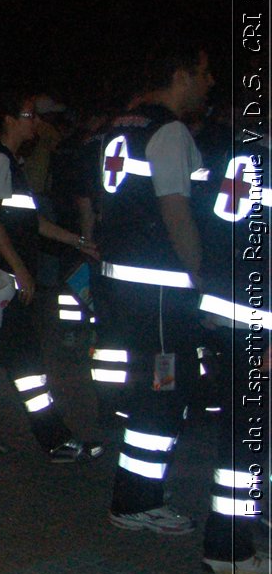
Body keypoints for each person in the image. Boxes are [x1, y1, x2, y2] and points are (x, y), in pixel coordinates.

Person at [94, 45, 214, 534]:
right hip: (162, 290)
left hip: (125, 286)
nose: (210, 85)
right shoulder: (168, 131)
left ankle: (136, 491)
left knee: (150, 386)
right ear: (180, 76)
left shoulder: (119, 128)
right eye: (205, 74)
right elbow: (176, 210)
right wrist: (200, 275)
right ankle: (136, 500)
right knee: (164, 389)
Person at [0, 94, 103, 461]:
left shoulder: (7, 162)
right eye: (28, 115)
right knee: (16, 361)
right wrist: (19, 269)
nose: (35, 122)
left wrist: (77, 241)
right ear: (8, 120)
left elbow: (29, 222)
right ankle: (50, 439)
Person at [194, 126, 269, 574]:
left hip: (229, 315)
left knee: (241, 433)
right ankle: (229, 549)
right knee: (246, 440)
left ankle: (236, 537)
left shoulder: (237, 157)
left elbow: (213, 230)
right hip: (259, 323)